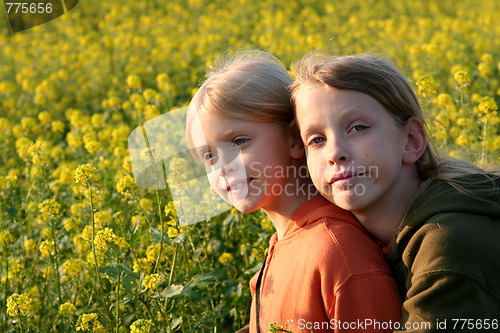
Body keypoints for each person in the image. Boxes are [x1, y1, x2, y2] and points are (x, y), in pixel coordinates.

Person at [186, 51, 401, 333]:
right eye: (210, 156)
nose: (224, 167)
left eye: (239, 141)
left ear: (293, 138)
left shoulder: (337, 251)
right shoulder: (285, 243)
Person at [291, 53, 500, 332]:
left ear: (411, 140)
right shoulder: (363, 237)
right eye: (317, 140)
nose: (335, 153)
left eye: (358, 128)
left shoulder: (448, 245)